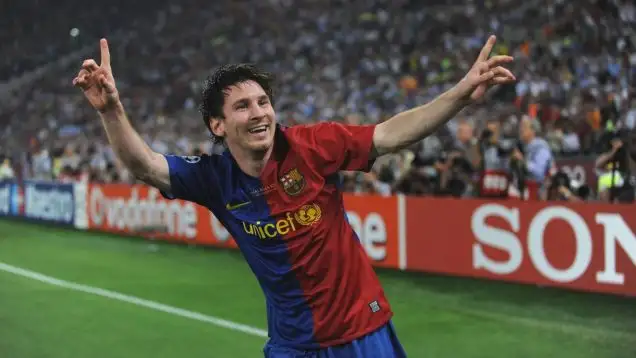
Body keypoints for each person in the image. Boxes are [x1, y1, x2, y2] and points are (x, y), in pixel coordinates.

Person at [73, 36, 515, 358]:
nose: (260, 112)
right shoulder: (214, 179)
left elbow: (390, 134)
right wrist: (111, 110)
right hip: (293, 345)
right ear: (218, 126)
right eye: (243, 106)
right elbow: (145, 165)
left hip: (362, 331)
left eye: (263, 101)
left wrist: (460, 95)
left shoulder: (312, 146)